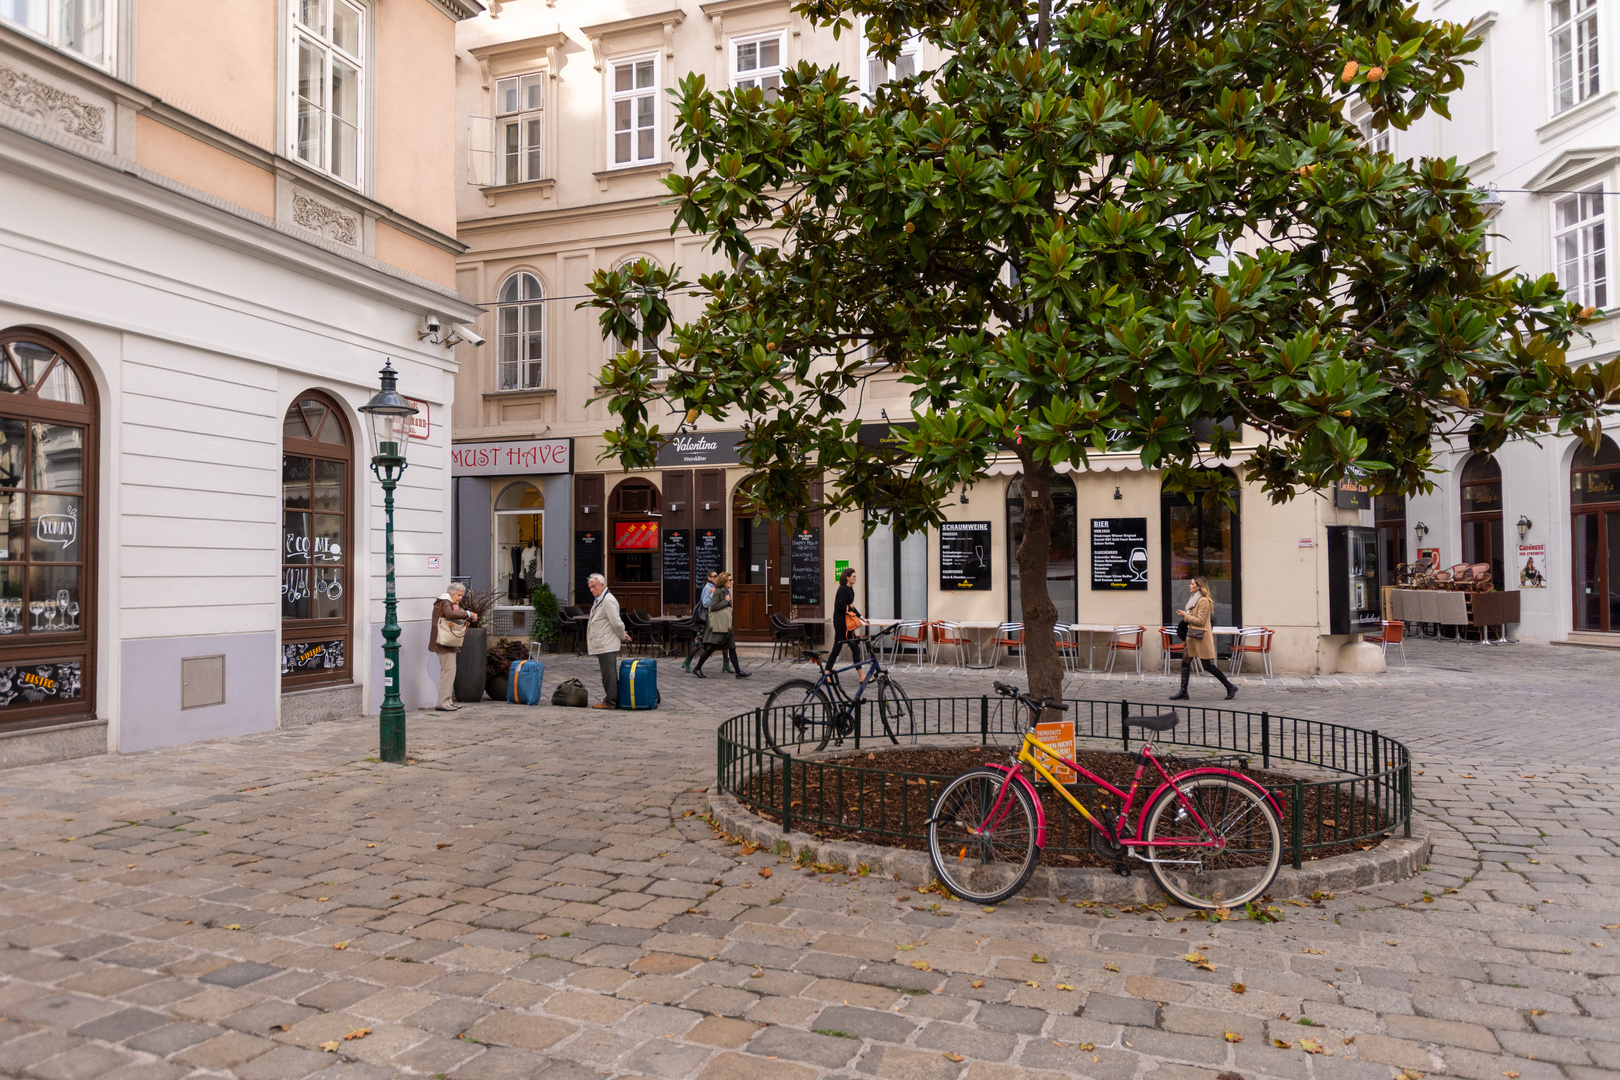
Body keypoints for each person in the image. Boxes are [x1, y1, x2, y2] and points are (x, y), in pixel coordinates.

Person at [1170, 576, 1236, 701]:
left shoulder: (1203, 601)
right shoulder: (1193, 599)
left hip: (1200, 637)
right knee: (1185, 661)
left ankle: (1230, 687)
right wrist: (1185, 614)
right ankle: (1183, 691)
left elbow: (1200, 621)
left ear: (1199, 586)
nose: (1190, 586)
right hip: (1192, 636)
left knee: (1207, 666)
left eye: (1192, 584)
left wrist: (1185, 616)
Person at [429, 582, 478, 712]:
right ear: (451, 593)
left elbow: (450, 616)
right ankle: (443, 702)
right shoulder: (445, 602)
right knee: (448, 672)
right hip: (443, 642)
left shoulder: (447, 603)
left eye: (462, 595)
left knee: (449, 672)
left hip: (446, 642)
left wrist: (462, 612)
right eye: (459, 595)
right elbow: (450, 615)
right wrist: (468, 614)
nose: (461, 598)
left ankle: (448, 701)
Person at [586, 573, 632, 709]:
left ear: (602, 585)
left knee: (609, 674)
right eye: (590, 588)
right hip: (603, 642)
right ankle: (613, 699)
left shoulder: (608, 600)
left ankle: (610, 701)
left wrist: (622, 635)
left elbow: (616, 623)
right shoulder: (600, 599)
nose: (591, 590)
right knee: (607, 673)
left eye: (594, 587)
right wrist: (622, 634)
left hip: (606, 643)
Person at [692, 571, 749, 679]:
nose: (732, 582)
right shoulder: (719, 592)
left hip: (726, 626)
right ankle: (697, 668)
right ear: (724, 581)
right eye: (730, 580)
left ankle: (738, 672)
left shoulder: (726, 591)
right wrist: (725, 601)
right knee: (710, 648)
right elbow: (712, 607)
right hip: (719, 626)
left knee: (732, 648)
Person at [683, 570, 731, 673]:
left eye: (717, 575)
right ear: (709, 578)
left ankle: (725, 664)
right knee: (699, 642)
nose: (716, 577)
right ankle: (688, 661)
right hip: (706, 621)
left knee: (724, 640)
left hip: (716, 619)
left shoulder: (717, 587)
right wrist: (712, 594)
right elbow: (705, 603)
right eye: (714, 576)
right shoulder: (707, 588)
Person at [827, 567, 865, 679]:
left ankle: (861, 676)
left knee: (852, 648)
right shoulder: (842, 589)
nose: (855, 578)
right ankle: (827, 673)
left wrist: (861, 617)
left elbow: (850, 606)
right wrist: (849, 607)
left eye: (855, 576)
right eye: (853, 576)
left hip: (847, 624)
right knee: (838, 648)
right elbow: (841, 607)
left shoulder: (850, 589)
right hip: (841, 624)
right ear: (847, 578)